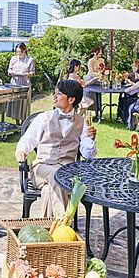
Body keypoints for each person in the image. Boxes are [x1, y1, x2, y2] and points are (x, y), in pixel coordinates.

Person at [15, 80, 97, 217]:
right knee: (57, 176)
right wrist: (21, 151)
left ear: (71, 99)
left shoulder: (82, 123)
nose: (54, 96)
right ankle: (63, 222)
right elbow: (28, 139)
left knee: (48, 190)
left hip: (67, 171)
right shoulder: (43, 118)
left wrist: (90, 139)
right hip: (41, 168)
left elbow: (88, 154)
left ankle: (49, 228)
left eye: (59, 94)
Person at [6, 43, 35, 123]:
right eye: (17, 52)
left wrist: (27, 74)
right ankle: (17, 121)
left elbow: (32, 73)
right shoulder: (13, 59)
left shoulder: (30, 60)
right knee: (15, 102)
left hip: (25, 82)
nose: (18, 54)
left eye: (20, 52)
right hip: (15, 82)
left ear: (25, 50)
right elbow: (9, 70)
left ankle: (23, 121)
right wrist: (11, 72)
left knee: (24, 102)